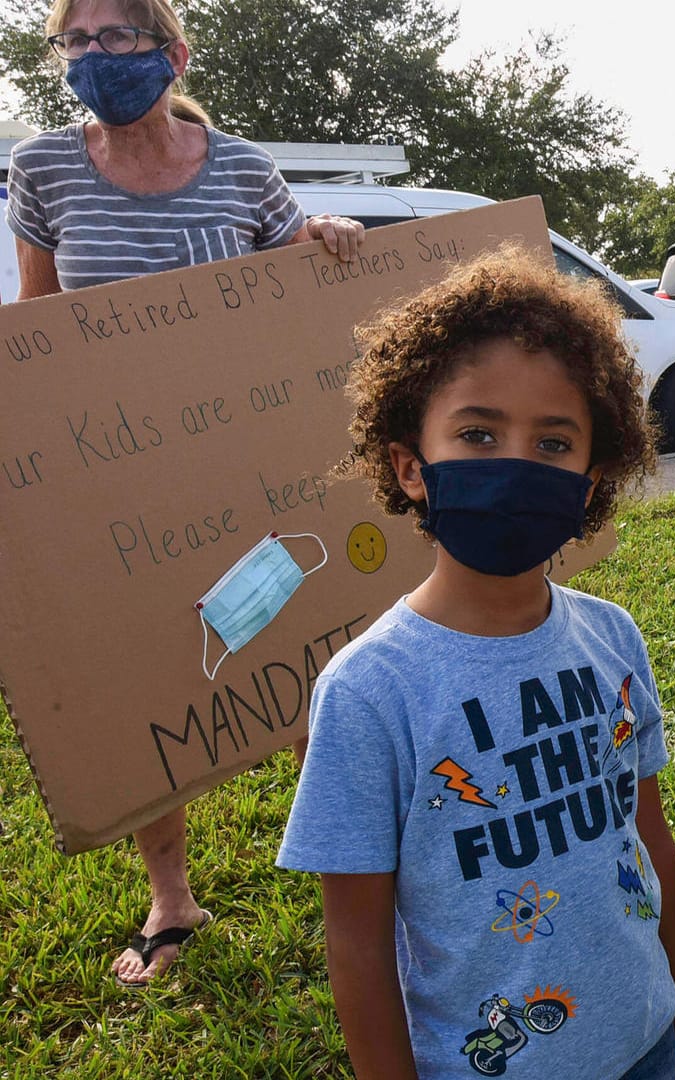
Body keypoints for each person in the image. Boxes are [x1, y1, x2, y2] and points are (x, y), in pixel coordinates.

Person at [5, 0, 365, 987]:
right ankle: (172, 899)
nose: (92, 57)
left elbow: (298, 277)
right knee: (150, 685)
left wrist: (325, 235)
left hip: (249, 467)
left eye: (113, 37)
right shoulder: (42, 169)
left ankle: (350, 865)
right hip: (117, 474)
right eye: (74, 41)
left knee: (301, 651)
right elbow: (35, 331)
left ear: (172, 52)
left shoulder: (243, 169)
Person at [276, 249, 675, 1080]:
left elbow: (650, 843)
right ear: (410, 467)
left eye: (553, 441)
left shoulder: (613, 640)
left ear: (588, 484)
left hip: (646, 1041)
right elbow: (358, 940)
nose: (513, 464)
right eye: (477, 433)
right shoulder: (368, 691)